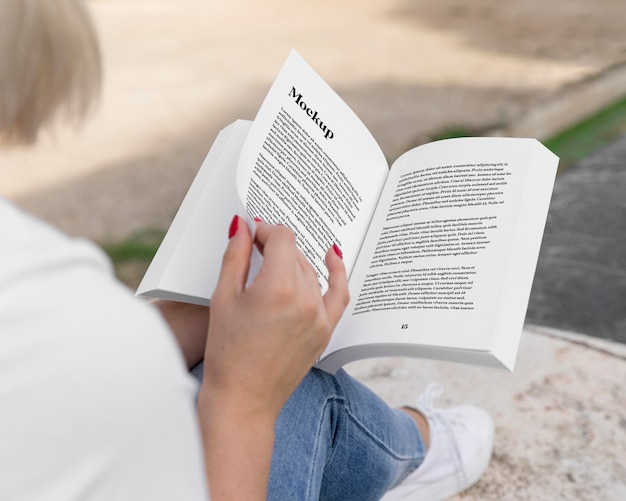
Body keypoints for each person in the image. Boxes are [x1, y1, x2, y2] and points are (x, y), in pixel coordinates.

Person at [0, 1, 494, 499]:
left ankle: (410, 448)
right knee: (293, 389)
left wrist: (198, 320)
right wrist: (243, 401)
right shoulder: (50, 311)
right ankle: (412, 451)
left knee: (247, 352)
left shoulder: (41, 309)